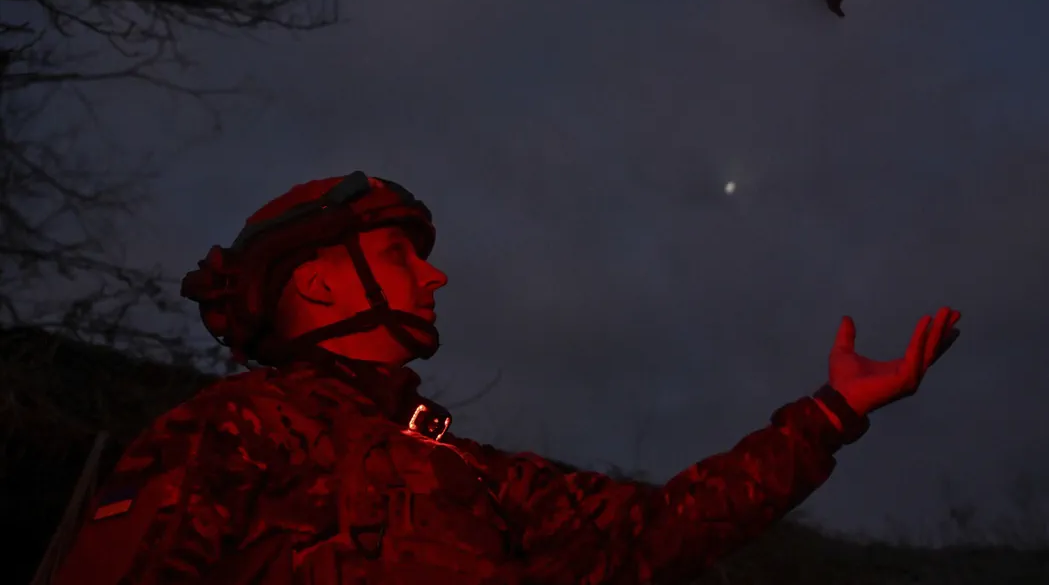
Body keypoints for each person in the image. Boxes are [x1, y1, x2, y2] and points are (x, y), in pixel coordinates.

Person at [51, 172, 962, 585]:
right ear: (320, 283)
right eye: (401, 254)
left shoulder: (467, 469)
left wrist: (831, 413)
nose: (435, 274)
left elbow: (656, 531)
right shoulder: (230, 428)